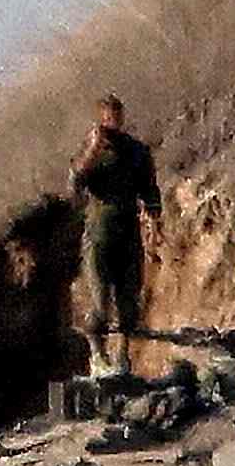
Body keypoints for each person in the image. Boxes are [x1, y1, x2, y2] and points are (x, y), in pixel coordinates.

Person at [67, 97, 164, 365]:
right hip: (98, 237)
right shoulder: (91, 152)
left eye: (117, 117)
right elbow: (74, 188)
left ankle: (122, 354)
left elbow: (150, 190)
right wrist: (92, 151)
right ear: (101, 119)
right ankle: (97, 351)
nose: (114, 123)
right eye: (108, 118)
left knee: (129, 302)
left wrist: (155, 223)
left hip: (128, 235)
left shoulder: (136, 151)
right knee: (100, 303)